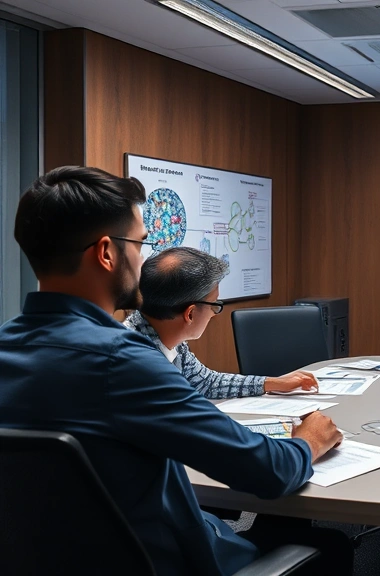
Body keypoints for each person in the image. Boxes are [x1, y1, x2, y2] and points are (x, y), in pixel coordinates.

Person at [0, 166, 352, 575]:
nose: (143, 259)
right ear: (107, 253)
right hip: (173, 561)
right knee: (329, 546)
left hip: (59, 559)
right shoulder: (125, 362)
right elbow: (267, 472)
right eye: (140, 243)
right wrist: (309, 441)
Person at [123, 246, 318, 398]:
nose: (214, 314)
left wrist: (271, 383)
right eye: (214, 305)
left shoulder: (159, 331)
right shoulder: (141, 363)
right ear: (190, 314)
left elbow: (206, 382)